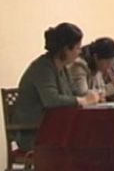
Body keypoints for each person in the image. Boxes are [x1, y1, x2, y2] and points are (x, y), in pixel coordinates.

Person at [12, 23, 101, 151]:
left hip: (54, 127)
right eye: (77, 48)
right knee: (86, 142)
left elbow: (73, 92)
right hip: (34, 133)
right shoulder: (43, 68)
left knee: (92, 137)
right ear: (66, 49)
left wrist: (91, 95)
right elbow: (51, 100)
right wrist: (82, 100)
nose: (80, 52)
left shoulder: (62, 68)